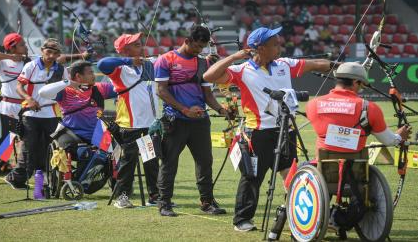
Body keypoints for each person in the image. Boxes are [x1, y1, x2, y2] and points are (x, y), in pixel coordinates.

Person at [203, 26, 336, 231]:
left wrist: (339, 66)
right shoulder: (241, 70)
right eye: (275, 44)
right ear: (261, 48)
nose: (279, 46)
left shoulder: (284, 64)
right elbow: (209, 76)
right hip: (258, 133)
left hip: (286, 129)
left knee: (290, 172)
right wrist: (235, 57)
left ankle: (301, 215)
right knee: (253, 177)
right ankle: (242, 220)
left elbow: (315, 64)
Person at [0, 33, 86, 185]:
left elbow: (59, 59)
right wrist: (10, 57)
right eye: (22, 44)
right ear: (12, 47)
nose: (25, 46)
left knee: (40, 143)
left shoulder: (29, 60)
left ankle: (41, 172)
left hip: (34, 107)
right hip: (11, 106)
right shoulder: (3, 62)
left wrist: (80, 55)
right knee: (6, 141)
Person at [154, 25, 228, 217]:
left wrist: (220, 109)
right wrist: (185, 110)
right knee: (169, 163)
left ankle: (207, 202)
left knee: (205, 162)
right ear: (186, 41)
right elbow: (161, 90)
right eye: (196, 46)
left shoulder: (203, 62)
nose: (198, 51)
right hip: (175, 120)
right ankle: (164, 204)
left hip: (200, 121)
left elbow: (207, 94)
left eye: (202, 47)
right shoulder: (166, 60)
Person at [97, 33, 160, 208]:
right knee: (128, 162)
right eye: (136, 44)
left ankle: (155, 196)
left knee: (151, 160)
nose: (141, 46)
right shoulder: (120, 69)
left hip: (150, 124)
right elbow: (102, 63)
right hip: (129, 125)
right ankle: (122, 197)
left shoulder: (148, 65)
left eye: (140, 43)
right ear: (125, 50)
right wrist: (128, 61)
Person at [306, 62, 411, 158]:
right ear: (356, 82)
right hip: (356, 169)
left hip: (322, 168)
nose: (361, 88)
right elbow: (389, 140)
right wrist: (399, 136)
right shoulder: (370, 108)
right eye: (362, 85)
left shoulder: (312, 105)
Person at [4, 38, 68, 190]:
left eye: (55, 53)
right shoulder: (31, 65)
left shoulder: (61, 69)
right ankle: (16, 178)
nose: (51, 56)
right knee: (29, 147)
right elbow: (19, 86)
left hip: (53, 113)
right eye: (49, 52)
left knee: (51, 147)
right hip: (31, 114)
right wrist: (29, 98)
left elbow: (66, 90)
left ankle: (49, 178)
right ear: (42, 51)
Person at [38, 61, 116, 158]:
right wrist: (68, 82)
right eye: (90, 73)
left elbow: (121, 89)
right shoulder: (66, 91)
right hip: (72, 133)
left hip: (97, 134)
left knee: (113, 155)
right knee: (79, 152)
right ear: (78, 76)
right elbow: (42, 92)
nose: (94, 75)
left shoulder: (100, 88)